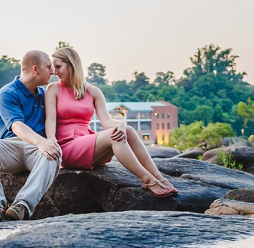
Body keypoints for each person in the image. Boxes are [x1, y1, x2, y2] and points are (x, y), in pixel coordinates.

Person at [45, 46, 178, 197]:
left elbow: (106, 120)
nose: (55, 72)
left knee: (127, 130)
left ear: (72, 64)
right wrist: (50, 140)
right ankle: (146, 179)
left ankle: (159, 177)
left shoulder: (93, 91)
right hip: (67, 146)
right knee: (113, 136)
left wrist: (121, 125)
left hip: (87, 143)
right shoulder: (53, 89)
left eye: (58, 67)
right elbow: (50, 119)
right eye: (53, 67)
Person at [0, 50, 62, 223]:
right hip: (11, 147)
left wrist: (46, 144)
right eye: (48, 67)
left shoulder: (45, 95)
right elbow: (17, 126)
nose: (52, 72)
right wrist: (42, 142)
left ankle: (21, 206)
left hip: (36, 151)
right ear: (35, 69)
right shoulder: (8, 93)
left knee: (53, 155)